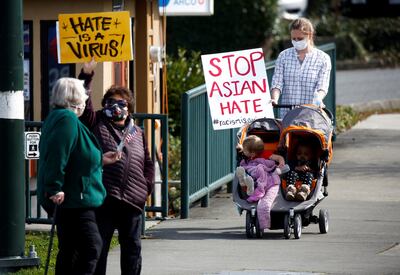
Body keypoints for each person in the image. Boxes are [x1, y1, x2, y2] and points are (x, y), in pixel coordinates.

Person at [37, 77, 120, 275]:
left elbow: (76, 154)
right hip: (74, 198)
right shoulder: (67, 119)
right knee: (91, 247)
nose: (85, 100)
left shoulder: (62, 118)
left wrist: (100, 158)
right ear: (76, 99)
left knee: (71, 249)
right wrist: (55, 186)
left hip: (74, 196)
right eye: (84, 96)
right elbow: (58, 154)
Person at [79, 60, 155, 275]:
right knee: (99, 248)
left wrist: (146, 186)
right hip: (104, 198)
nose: (116, 107)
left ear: (129, 107)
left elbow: (148, 163)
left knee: (132, 249)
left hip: (132, 200)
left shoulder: (137, 132)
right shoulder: (96, 122)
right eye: (111, 102)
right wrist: (86, 75)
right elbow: (83, 102)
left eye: (121, 103)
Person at [270, 17, 332, 118]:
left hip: (311, 114)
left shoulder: (323, 58)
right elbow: (277, 82)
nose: (296, 41)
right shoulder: (283, 56)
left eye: (300, 39)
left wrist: (318, 99)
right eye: (293, 39)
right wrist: (274, 99)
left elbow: (322, 86)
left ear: (310, 36)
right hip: (287, 115)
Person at [235, 135, 288, 230]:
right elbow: (243, 152)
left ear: (252, 153)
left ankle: (249, 185)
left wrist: (281, 162)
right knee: (248, 170)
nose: (243, 151)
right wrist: (240, 148)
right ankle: (247, 183)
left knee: (258, 171)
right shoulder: (248, 157)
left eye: (245, 150)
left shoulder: (265, 154)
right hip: (253, 174)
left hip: (264, 177)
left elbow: (278, 157)